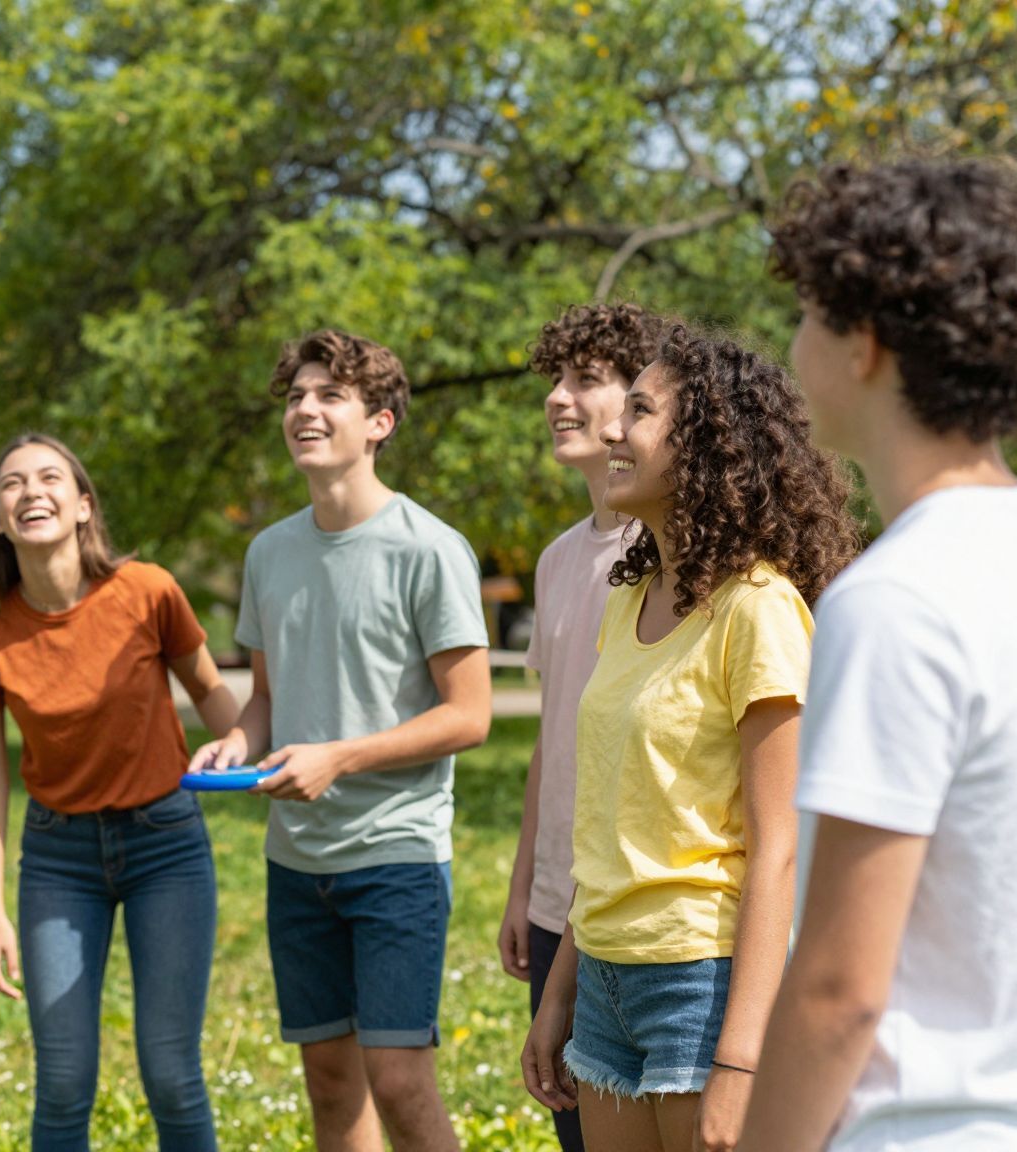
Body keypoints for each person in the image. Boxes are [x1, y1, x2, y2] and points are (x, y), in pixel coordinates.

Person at [739, 159, 1017, 1151]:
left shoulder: (894, 599)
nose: (791, 347)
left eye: (807, 316)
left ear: (863, 344)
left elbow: (837, 992)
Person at [521, 325, 862, 1152]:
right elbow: (612, 823)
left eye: (639, 411)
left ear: (708, 442)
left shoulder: (759, 609)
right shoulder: (624, 604)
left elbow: (779, 849)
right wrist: (560, 992)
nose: (612, 428)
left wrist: (740, 1059)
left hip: (701, 984)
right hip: (602, 979)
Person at [190, 330, 491, 1152]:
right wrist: (236, 744)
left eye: (330, 396)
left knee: (398, 1081)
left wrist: (340, 757)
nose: (306, 411)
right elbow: (268, 698)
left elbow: (470, 716)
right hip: (296, 861)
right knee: (329, 1083)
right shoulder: (269, 552)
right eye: (296, 397)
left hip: (396, 856)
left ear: (380, 423)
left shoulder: (430, 549)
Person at [0, 432, 242, 1151]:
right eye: (13, 484)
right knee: (61, 1082)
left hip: (166, 847)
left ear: (84, 505)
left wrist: (251, 756)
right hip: (58, 860)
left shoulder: (147, 591)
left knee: (172, 1074)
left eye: (50, 478)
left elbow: (210, 690)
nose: (31, 491)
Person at [499, 303, 666, 1152]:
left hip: (627, 905)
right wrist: (523, 887)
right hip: (554, 902)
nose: (558, 398)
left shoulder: (668, 552)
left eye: (587, 380)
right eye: (556, 380)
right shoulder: (557, 557)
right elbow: (552, 738)